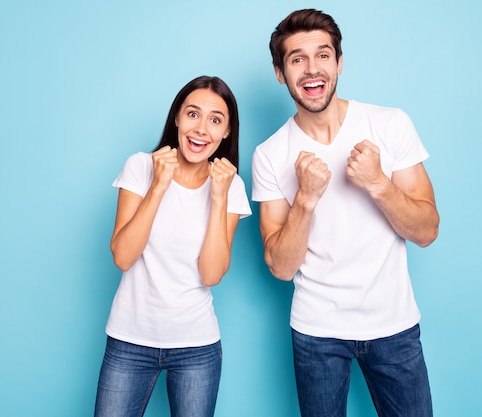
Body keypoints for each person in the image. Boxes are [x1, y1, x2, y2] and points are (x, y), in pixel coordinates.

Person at [251, 9, 440, 417]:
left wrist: (378, 183)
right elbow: (281, 267)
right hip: (317, 332)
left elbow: (427, 230)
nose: (311, 68)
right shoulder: (269, 154)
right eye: (297, 58)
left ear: (339, 63)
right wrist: (305, 199)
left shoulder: (389, 124)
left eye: (323, 55)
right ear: (281, 73)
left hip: (394, 326)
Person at [95, 75, 251, 417]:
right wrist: (159, 186)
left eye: (215, 120)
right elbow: (123, 256)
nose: (201, 129)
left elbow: (211, 273)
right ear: (177, 118)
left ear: (226, 132)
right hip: (129, 340)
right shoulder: (141, 166)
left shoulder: (231, 185)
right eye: (193, 114)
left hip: (196, 346)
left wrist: (220, 197)